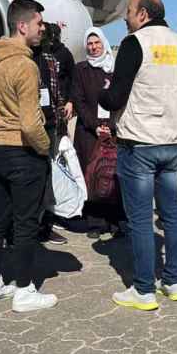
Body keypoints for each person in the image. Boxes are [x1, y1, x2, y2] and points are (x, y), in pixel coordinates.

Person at [100, 0, 177, 311]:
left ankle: (143, 290)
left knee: (141, 220)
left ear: (142, 14)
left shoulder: (135, 42)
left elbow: (115, 98)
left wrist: (102, 96)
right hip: (171, 142)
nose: (125, 17)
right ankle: (174, 281)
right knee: (172, 215)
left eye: (128, 11)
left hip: (140, 142)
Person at [0, 0, 57, 312]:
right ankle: (25, 290)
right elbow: (30, 122)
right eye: (39, 24)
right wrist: (45, 147)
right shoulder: (25, 65)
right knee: (26, 223)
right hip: (22, 151)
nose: (43, 29)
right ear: (22, 26)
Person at [70, 28, 125, 239]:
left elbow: (120, 98)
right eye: (90, 44)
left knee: (112, 175)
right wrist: (94, 125)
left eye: (97, 43)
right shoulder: (81, 69)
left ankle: (115, 222)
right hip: (89, 131)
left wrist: (110, 125)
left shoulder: (115, 69)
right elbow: (79, 100)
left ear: (103, 43)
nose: (93, 47)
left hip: (112, 130)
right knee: (91, 175)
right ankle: (95, 222)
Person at [33, 21, 75, 246]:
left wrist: (68, 103)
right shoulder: (29, 57)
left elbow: (65, 84)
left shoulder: (56, 57)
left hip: (51, 122)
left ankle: (46, 222)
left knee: (50, 171)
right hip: (34, 122)